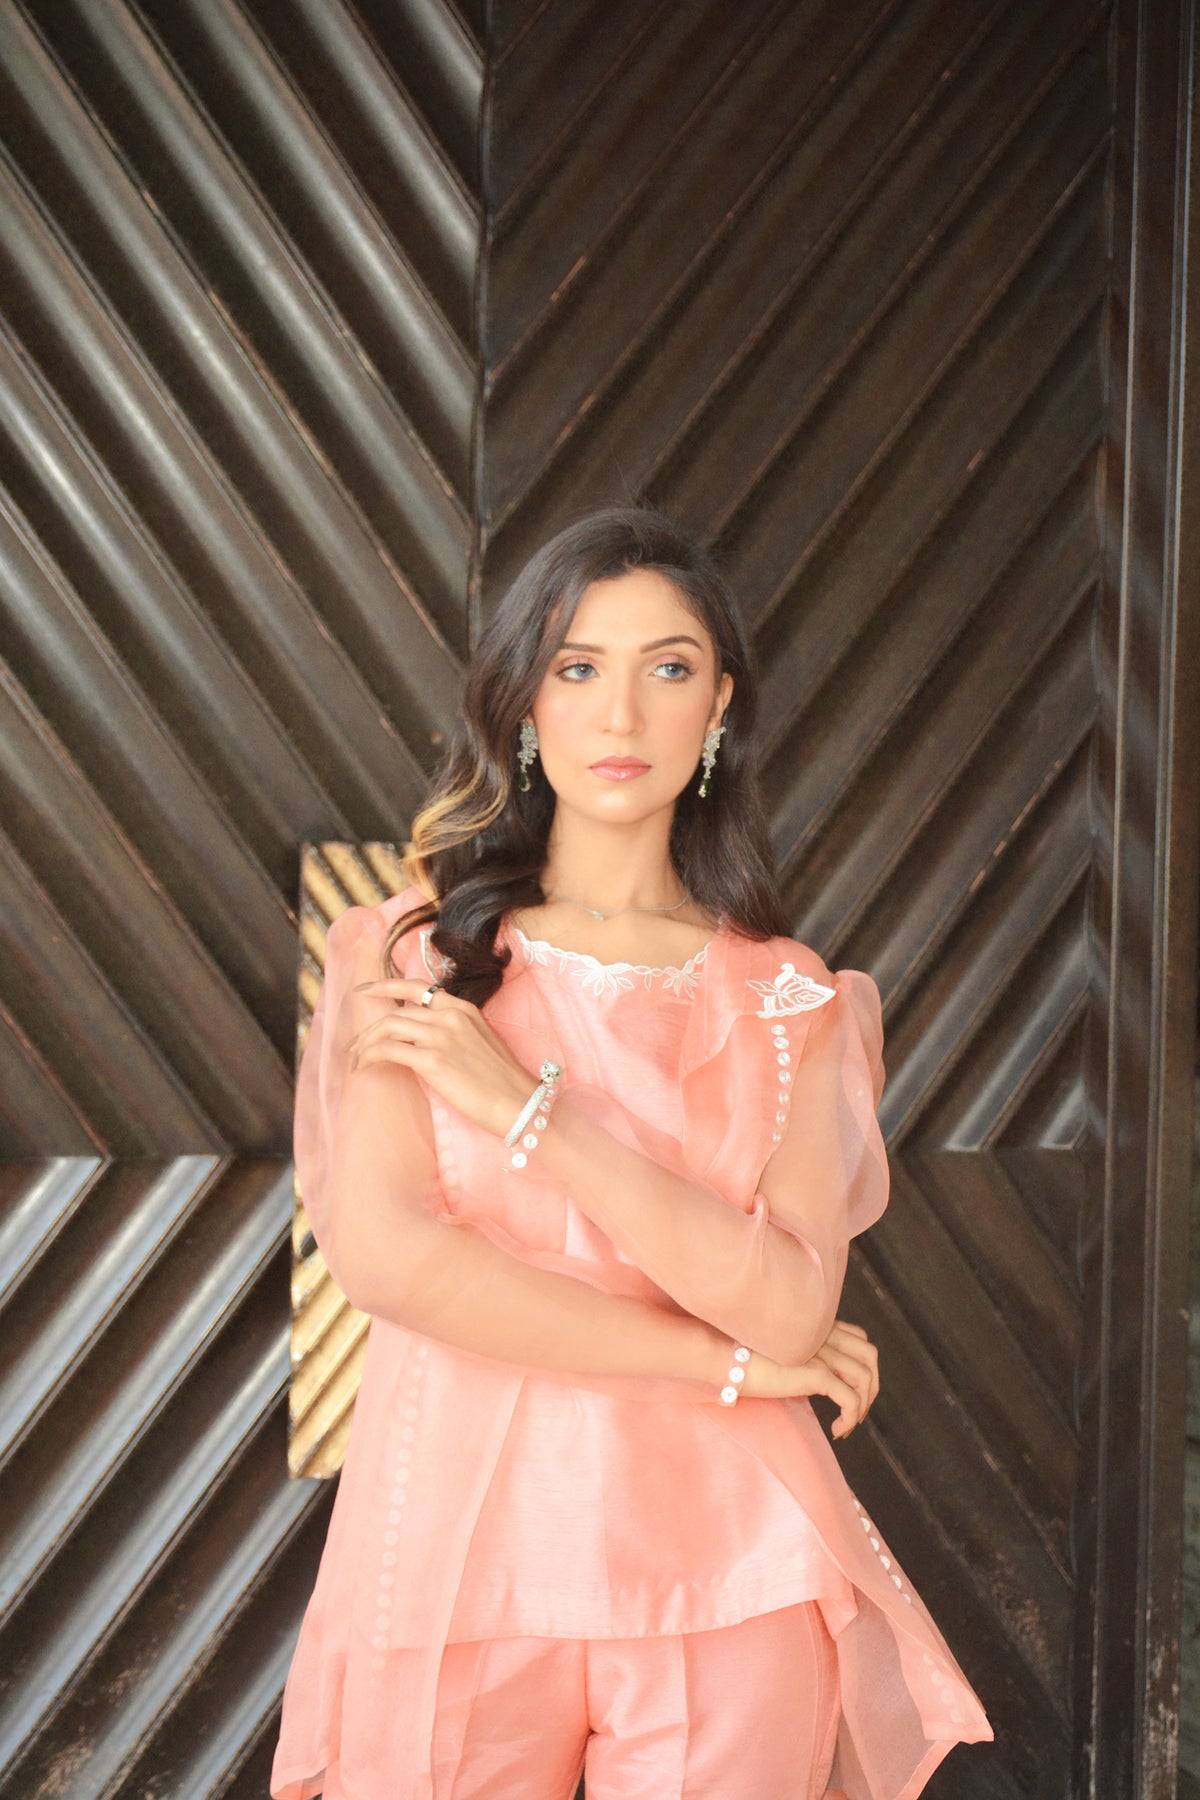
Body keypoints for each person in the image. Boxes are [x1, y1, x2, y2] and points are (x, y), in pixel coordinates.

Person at [269, 507, 993, 1800]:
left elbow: (792, 1303)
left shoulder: (788, 998)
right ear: (524, 702)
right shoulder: (409, 955)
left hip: (733, 1570)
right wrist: (725, 1363)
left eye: (667, 667)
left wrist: (533, 1115)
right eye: (577, 666)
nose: (620, 713)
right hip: (455, 1565)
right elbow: (395, 1265)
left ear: (719, 704)